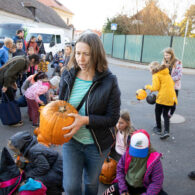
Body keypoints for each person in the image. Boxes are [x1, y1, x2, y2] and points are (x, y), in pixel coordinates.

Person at [59, 32, 121, 195]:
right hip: (72, 141)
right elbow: (61, 107)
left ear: (96, 55)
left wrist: (84, 120)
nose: (81, 59)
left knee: (91, 183)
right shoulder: (67, 75)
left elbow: (113, 118)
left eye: (86, 54)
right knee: (71, 188)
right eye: (78, 53)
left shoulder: (109, 81)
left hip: (97, 145)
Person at [103, 129, 167, 195]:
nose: (137, 155)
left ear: (148, 146)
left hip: (145, 187)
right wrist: (123, 189)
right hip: (127, 183)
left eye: (141, 152)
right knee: (108, 193)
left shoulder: (155, 161)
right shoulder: (127, 154)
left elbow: (156, 182)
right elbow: (120, 170)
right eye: (135, 151)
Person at [145, 61, 177, 139]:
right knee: (165, 114)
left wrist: (147, 86)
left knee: (158, 112)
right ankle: (166, 131)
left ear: (153, 69)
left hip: (162, 97)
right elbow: (170, 84)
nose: (149, 70)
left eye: (149, 69)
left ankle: (158, 128)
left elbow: (155, 87)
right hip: (171, 96)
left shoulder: (156, 75)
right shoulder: (166, 73)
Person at [162, 47, 182, 117]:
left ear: (171, 54)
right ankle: (165, 114)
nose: (166, 57)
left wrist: (170, 79)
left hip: (174, 86)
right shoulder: (164, 62)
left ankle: (170, 114)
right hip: (165, 86)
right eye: (165, 55)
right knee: (164, 101)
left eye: (167, 55)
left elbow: (179, 75)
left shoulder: (178, 62)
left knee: (173, 102)